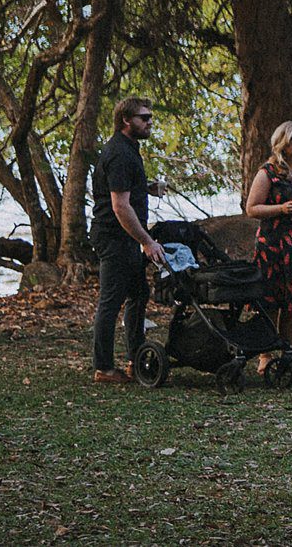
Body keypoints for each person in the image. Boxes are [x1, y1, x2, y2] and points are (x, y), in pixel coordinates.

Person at [87, 97, 166, 383]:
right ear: (126, 120)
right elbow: (120, 206)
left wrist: (146, 188)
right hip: (114, 237)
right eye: (144, 118)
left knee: (138, 294)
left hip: (125, 238)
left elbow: (122, 188)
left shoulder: (128, 150)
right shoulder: (119, 152)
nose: (149, 123)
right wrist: (147, 241)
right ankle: (104, 368)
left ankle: (135, 357)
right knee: (110, 301)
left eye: (150, 118)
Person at [245, 120, 292, 343]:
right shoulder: (268, 171)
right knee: (271, 300)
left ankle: (287, 350)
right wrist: (281, 208)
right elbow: (251, 208)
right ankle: (266, 352)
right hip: (275, 245)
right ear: (282, 143)